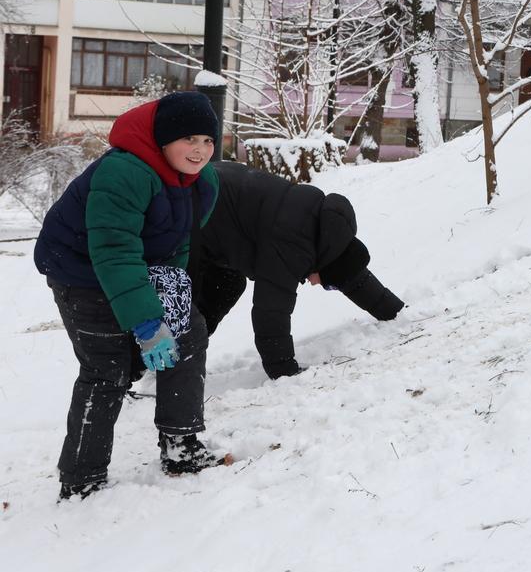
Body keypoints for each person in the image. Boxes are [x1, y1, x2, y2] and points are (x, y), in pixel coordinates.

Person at [34, 91, 226, 499]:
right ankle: (82, 478)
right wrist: (146, 321)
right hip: (81, 273)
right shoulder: (123, 172)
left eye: (208, 140)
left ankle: (181, 445)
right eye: (189, 139)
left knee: (188, 336)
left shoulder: (202, 180)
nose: (200, 150)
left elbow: (179, 242)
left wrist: (170, 301)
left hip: (138, 266)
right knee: (108, 370)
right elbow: (114, 252)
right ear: (163, 139)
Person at [188, 161, 404, 379]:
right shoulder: (293, 242)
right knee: (187, 297)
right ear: (326, 265)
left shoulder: (324, 229)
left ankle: (179, 351)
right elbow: (271, 310)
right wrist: (284, 371)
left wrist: (394, 312)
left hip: (214, 201)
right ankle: (171, 357)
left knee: (226, 283)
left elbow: (351, 274)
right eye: (327, 284)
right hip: (193, 216)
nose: (315, 283)